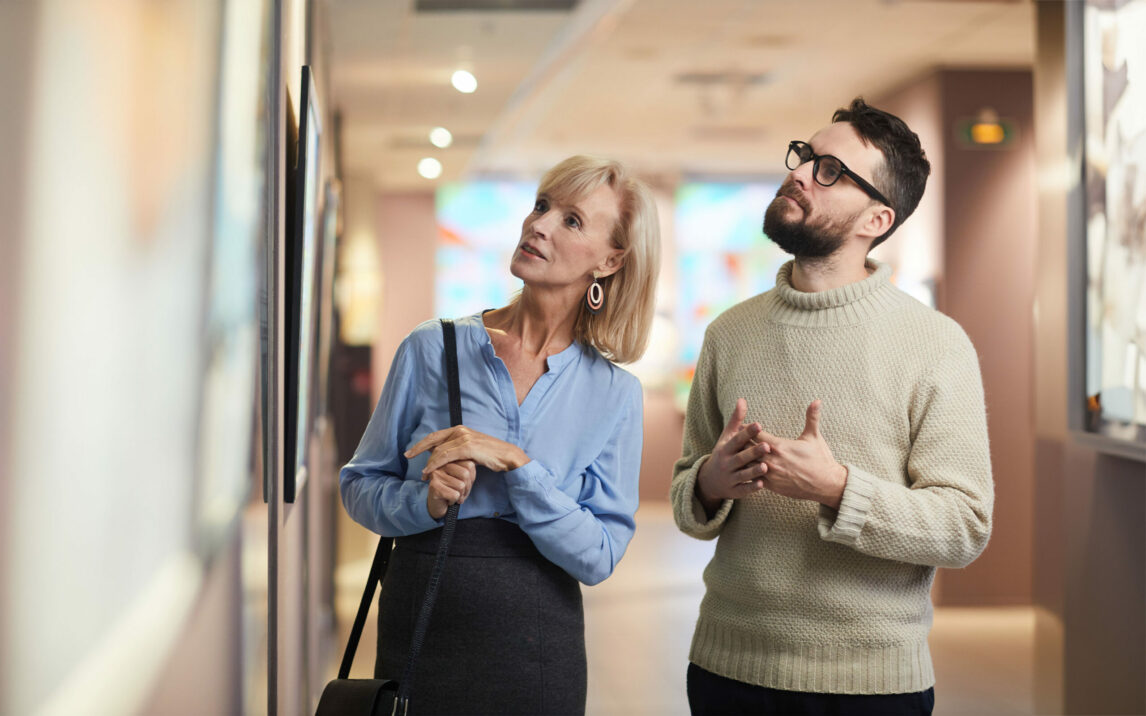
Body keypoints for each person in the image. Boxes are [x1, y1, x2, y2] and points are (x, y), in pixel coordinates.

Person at [671, 98, 993, 716]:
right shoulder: (728, 334)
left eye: (830, 169)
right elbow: (688, 499)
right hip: (725, 671)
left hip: (872, 688)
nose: (800, 172)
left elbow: (964, 526)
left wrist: (839, 488)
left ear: (877, 217)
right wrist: (709, 484)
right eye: (805, 156)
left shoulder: (936, 344)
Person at [341, 155, 660, 715]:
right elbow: (360, 486)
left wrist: (518, 465)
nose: (539, 225)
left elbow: (599, 556)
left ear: (610, 262)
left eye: (572, 220)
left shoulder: (615, 394)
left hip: (539, 650)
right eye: (542, 206)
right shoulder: (431, 348)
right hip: (422, 630)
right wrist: (426, 500)